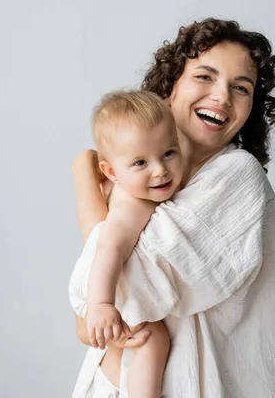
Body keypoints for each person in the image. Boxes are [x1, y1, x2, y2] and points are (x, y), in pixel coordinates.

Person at [69, 17, 275, 397]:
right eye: (205, 76)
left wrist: (84, 181)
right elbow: (89, 314)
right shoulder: (143, 180)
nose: (222, 96)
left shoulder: (238, 176)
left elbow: (129, 292)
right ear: (171, 85)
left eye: (241, 87)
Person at [85, 89, 183, 397]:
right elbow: (109, 248)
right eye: (140, 162)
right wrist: (101, 304)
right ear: (112, 172)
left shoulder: (136, 189)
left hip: (114, 286)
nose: (160, 170)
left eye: (169, 153)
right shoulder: (130, 207)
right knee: (153, 337)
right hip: (108, 289)